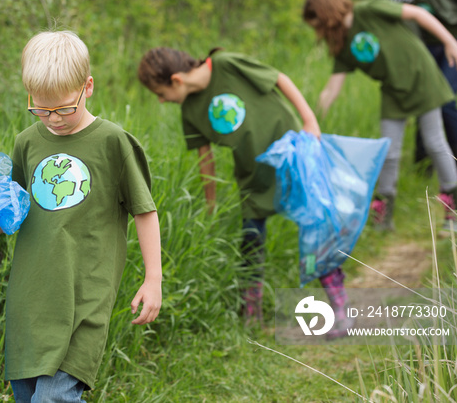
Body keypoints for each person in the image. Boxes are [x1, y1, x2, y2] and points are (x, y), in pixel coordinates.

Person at [0, 30, 163, 402]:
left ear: (87, 87)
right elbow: (14, 207)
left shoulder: (112, 142)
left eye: (63, 108)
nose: (53, 119)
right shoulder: (27, 142)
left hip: (86, 295)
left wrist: (154, 279)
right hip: (33, 296)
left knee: (53, 397)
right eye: (41, 108)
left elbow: (145, 210)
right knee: (27, 395)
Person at [137, 47, 352, 338]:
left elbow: (279, 79)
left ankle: (341, 309)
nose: (161, 100)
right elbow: (206, 159)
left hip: (291, 157)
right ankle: (252, 317)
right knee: (251, 241)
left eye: (160, 93)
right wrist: (210, 204)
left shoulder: (225, 65)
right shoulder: (189, 111)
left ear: (176, 79)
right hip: (252, 175)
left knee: (314, 230)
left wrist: (309, 120)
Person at [303, 0, 457, 232]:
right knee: (388, 151)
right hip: (392, 90)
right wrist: (311, 122)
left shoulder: (370, 9)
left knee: (435, 142)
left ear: (327, 14)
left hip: (422, 78)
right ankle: (383, 215)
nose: (319, 32)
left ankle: (453, 211)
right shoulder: (342, 45)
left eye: (319, 25)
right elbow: (331, 90)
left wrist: (450, 42)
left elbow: (418, 14)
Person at [375, 0, 457, 193]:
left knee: (445, 99)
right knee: (423, 102)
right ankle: (423, 168)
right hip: (422, 50)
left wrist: (455, 43)